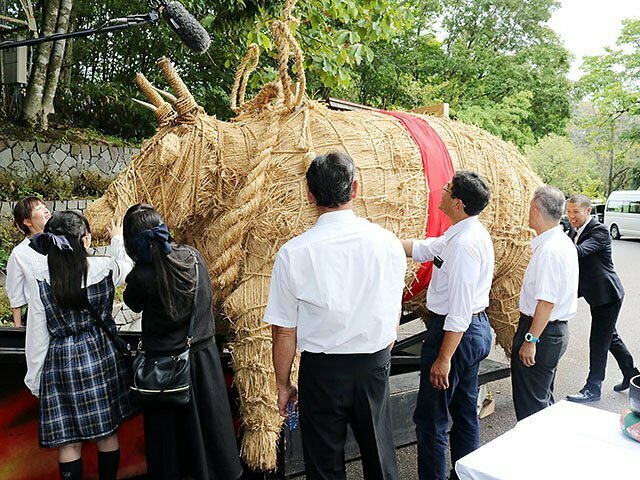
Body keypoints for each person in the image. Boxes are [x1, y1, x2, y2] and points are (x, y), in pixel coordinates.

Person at [265, 152, 406, 480]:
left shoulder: (293, 253)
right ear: (355, 189)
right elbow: (393, 306)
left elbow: (284, 332)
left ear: (309, 194)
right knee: (381, 461)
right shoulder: (388, 244)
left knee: (324, 468)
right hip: (373, 364)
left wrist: (283, 384)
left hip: (322, 371)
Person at [122, 203, 242, 480]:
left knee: (171, 450)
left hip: (165, 370)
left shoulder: (142, 276)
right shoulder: (194, 258)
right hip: (203, 362)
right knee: (210, 439)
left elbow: (132, 303)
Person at [24, 210, 135, 480]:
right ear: (84, 241)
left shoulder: (41, 280)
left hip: (61, 361)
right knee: (107, 432)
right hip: (100, 355)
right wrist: (117, 239)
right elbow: (126, 266)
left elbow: (37, 337)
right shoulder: (104, 267)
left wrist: (35, 380)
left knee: (68, 441)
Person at [403, 170, 494, 480]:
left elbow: (459, 311)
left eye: (446, 188)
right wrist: (379, 239)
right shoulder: (462, 232)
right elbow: (426, 249)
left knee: (431, 420)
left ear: (457, 202)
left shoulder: (464, 245)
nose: (440, 190)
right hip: (471, 332)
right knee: (465, 413)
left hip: (456, 335)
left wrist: (443, 359)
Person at [511, 186, 578, 421]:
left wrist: (530, 340)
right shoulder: (562, 242)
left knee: (532, 410)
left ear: (537, 210)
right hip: (552, 332)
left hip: (541, 332)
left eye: (530, 208)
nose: (528, 213)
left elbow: (546, 302)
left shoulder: (549, 250)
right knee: (542, 400)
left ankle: (536, 455)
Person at [565, 194, 639, 402]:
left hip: (608, 295)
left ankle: (593, 387)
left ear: (588, 211)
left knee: (599, 341)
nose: (571, 216)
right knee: (610, 337)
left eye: (576, 212)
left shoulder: (599, 230)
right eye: (569, 212)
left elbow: (577, 253)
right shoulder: (574, 230)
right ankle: (632, 374)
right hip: (594, 293)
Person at [5, 197, 50, 327]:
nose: (45, 210)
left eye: (44, 206)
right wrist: (18, 331)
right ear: (27, 221)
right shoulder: (19, 253)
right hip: (39, 318)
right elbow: (15, 296)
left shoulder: (61, 242)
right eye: (39, 208)